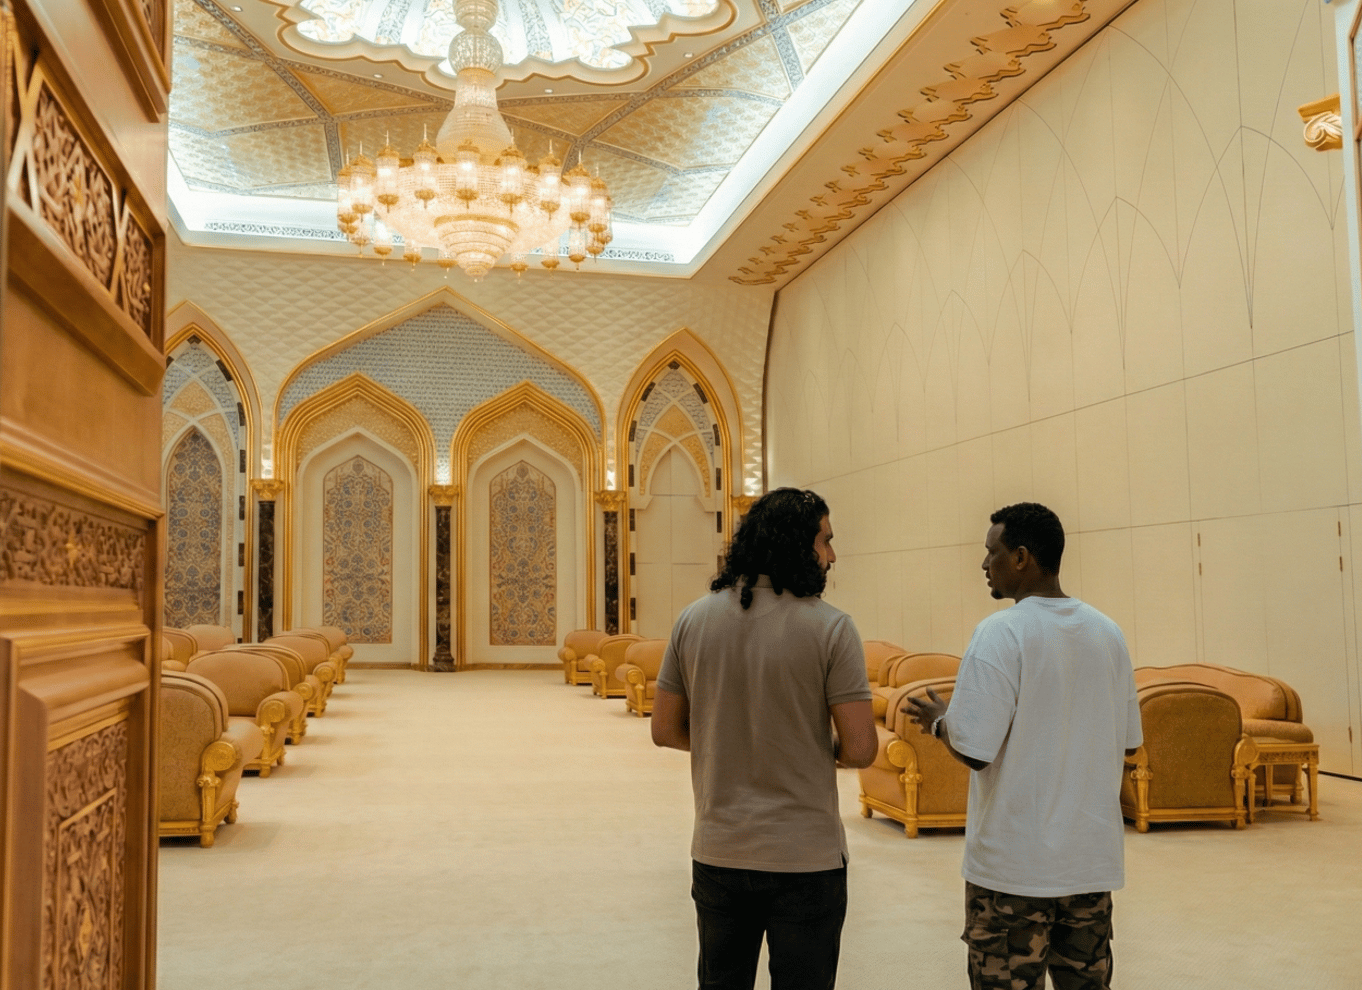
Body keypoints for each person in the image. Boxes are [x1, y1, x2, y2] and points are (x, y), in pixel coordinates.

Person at [904, 502, 1141, 990]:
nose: (983, 563)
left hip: (1012, 875)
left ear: (1020, 557)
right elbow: (1130, 745)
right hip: (1089, 869)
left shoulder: (1000, 632)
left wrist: (940, 723)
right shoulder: (1108, 633)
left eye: (991, 552)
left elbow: (975, 750)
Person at [651, 487, 878, 990]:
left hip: (719, 851)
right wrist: (807, 746)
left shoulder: (693, 619)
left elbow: (664, 729)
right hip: (806, 859)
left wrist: (725, 740)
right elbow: (862, 748)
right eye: (825, 541)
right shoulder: (832, 628)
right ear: (797, 544)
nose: (832, 556)